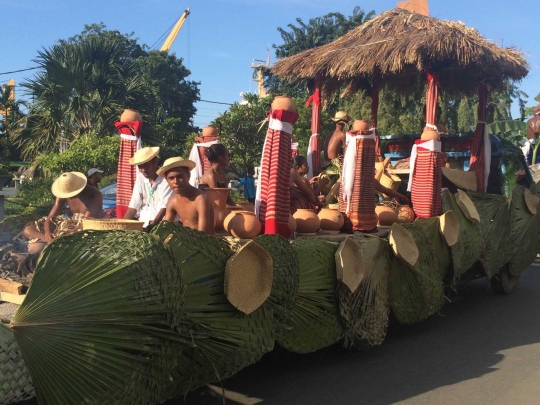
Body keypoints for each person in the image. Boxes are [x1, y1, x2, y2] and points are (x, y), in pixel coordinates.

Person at [23, 172, 103, 249]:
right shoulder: (64, 191)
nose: (70, 196)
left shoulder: (95, 195)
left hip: (83, 229)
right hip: (68, 225)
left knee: (74, 234)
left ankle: (54, 242)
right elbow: (51, 217)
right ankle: (46, 240)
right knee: (28, 230)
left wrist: (68, 233)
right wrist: (47, 233)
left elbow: (86, 222)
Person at [160, 157, 215, 234]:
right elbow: (165, 228)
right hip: (186, 241)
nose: (176, 181)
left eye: (180, 176)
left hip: (205, 243)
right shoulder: (173, 201)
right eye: (171, 178)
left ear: (188, 175)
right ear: (167, 180)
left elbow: (203, 234)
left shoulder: (200, 199)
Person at [123, 146, 173, 231]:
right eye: (140, 167)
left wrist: (151, 226)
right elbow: (134, 206)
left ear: (155, 162)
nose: (143, 170)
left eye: (146, 165)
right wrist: (122, 225)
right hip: (143, 225)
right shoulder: (141, 178)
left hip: (161, 227)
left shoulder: (166, 180)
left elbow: (164, 208)